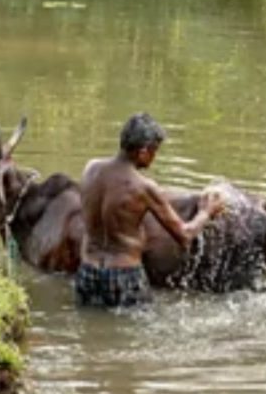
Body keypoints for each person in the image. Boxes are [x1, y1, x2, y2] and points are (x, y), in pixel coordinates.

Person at [75, 112, 224, 308]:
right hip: (124, 276)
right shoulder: (142, 187)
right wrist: (206, 212)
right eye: (155, 151)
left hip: (87, 272)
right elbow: (184, 235)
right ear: (144, 152)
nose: (155, 157)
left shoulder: (90, 169)